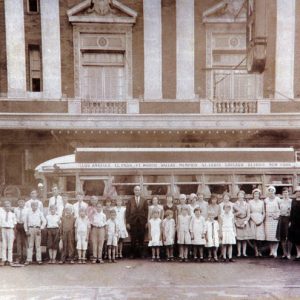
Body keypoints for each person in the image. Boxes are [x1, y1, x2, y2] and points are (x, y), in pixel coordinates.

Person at [126, 186, 148, 258]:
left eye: (138, 190)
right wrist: (128, 222)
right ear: (134, 191)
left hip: (142, 222)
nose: (137, 191)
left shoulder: (144, 200)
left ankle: (141, 254)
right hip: (133, 222)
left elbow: (146, 211)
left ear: (140, 191)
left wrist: (146, 222)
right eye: (136, 190)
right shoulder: (130, 200)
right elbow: (127, 212)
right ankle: (132, 254)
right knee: (133, 239)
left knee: (141, 239)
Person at [233, 190, 251, 257]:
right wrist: (236, 222)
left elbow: (248, 215)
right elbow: (232, 214)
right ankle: (239, 253)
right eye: (239, 195)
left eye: (242, 195)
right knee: (239, 239)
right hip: (237, 221)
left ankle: (244, 252)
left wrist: (245, 222)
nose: (240, 196)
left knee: (244, 239)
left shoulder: (247, 204)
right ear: (237, 196)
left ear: (244, 196)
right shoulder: (235, 204)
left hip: (244, 221)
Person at [276, 187, 292, 259]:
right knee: (282, 237)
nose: (285, 194)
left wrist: (291, 221)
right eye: (284, 192)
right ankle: (284, 253)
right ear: (282, 194)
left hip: (288, 219)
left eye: (286, 192)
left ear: (288, 193)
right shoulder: (280, 201)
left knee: (289, 237)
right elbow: (277, 210)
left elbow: (293, 212)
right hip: (281, 219)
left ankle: (289, 253)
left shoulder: (291, 201)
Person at [264, 186, 280, 258]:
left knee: (275, 237)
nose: (271, 192)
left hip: (276, 219)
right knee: (270, 237)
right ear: (268, 192)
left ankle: (275, 251)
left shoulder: (278, 199)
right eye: (270, 191)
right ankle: (271, 251)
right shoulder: (266, 200)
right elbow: (264, 210)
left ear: (274, 192)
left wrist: (277, 216)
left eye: (272, 191)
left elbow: (281, 208)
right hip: (268, 220)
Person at [249, 189, 265, 257]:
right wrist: (254, 220)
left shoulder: (262, 202)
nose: (256, 195)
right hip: (253, 219)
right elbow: (249, 212)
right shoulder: (250, 202)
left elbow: (264, 212)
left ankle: (260, 251)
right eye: (255, 194)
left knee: (259, 237)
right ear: (253, 195)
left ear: (259, 195)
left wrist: (261, 220)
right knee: (254, 237)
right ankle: (255, 251)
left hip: (260, 219)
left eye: (257, 194)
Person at [0, 201, 16, 266]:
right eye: (6, 206)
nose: (7, 207)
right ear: (4, 207)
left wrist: (14, 233)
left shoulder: (13, 214)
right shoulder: (1, 214)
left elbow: (15, 224)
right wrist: (0, 233)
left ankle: (10, 260)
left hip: (10, 230)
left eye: (8, 206)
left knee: (10, 246)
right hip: (3, 229)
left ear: (10, 207)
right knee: (4, 246)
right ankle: (3, 260)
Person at [14, 199, 28, 264]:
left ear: (24, 203)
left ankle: (25, 257)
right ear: (18, 203)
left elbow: (28, 218)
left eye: (22, 202)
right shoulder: (16, 209)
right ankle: (19, 257)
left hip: (24, 226)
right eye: (19, 202)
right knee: (18, 242)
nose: (21, 203)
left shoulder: (27, 209)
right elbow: (14, 217)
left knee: (25, 242)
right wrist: (17, 222)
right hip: (18, 226)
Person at [288, 186, 300, 260]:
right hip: (295, 223)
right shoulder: (293, 201)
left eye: (299, 192)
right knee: (296, 239)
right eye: (297, 192)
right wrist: (290, 221)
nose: (298, 193)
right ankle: (298, 254)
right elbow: (291, 212)